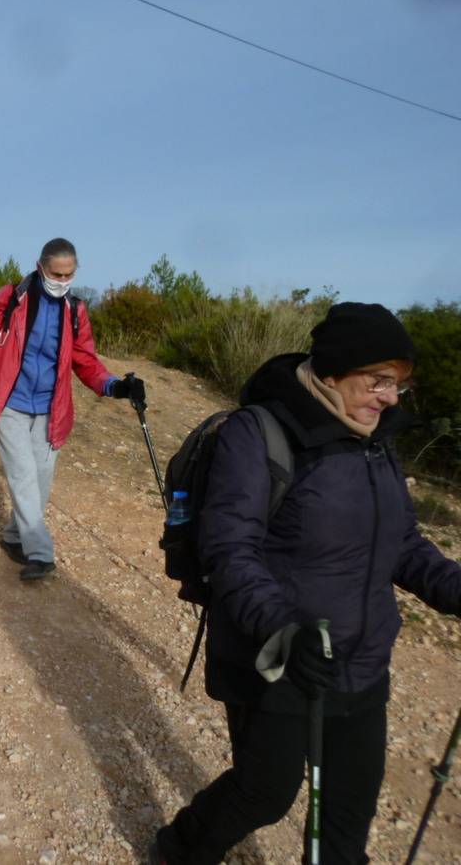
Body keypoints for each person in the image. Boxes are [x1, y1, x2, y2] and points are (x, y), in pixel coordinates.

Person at [149, 303, 461, 865]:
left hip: (363, 662)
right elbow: (230, 550)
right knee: (265, 793)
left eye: (399, 386)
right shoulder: (261, 432)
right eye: (379, 381)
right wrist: (283, 629)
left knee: (347, 821)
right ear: (334, 372)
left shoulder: (376, 440)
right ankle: (180, 849)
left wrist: (451, 586)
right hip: (276, 658)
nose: (391, 397)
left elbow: (403, 542)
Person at [0, 237, 145, 580]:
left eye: (69, 274)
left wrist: (116, 386)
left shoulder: (76, 311)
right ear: (41, 268)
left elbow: (85, 361)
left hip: (51, 410)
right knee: (23, 476)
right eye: (57, 273)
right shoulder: (12, 298)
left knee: (39, 480)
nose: (62, 281)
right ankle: (40, 554)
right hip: (9, 403)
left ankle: (12, 537)